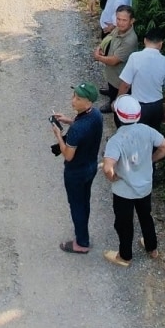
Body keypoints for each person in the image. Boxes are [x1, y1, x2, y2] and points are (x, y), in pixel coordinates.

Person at [101, 94, 165, 266]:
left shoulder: (116, 141)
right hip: (145, 186)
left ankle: (125, 256)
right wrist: (151, 160)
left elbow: (108, 167)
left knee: (124, 223)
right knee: (146, 216)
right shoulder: (147, 131)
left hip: (124, 191)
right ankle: (152, 248)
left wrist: (112, 176)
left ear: (118, 115)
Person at [51, 82, 103, 254]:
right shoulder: (96, 114)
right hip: (90, 167)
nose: (73, 100)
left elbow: (67, 155)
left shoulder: (77, 130)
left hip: (76, 172)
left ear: (88, 102)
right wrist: (68, 120)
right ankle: (83, 233)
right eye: (74, 96)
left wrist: (59, 136)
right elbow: (84, 126)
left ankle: (81, 243)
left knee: (76, 205)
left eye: (78, 98)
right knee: (84, 201)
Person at [119, 26, 165, 129]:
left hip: (138, 106)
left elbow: (126, 85)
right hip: (156, 107)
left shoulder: (135, 57)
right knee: (154, 136)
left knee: (137, 135)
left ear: (145, 40)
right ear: (161, 44)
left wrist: (118, 100)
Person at [92, 5, 139, 113]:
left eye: (124, 20)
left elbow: (114, 61)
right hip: (112, 73)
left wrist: (98, 57)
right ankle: (111, 92)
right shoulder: (118, 29)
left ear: (132, 21)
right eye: (118, 19)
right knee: (111, 84)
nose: (120, 23)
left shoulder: (130, 40)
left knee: (117, 91)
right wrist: (100, 48)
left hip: (120, 77)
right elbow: (109, 38)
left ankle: (113, 104)